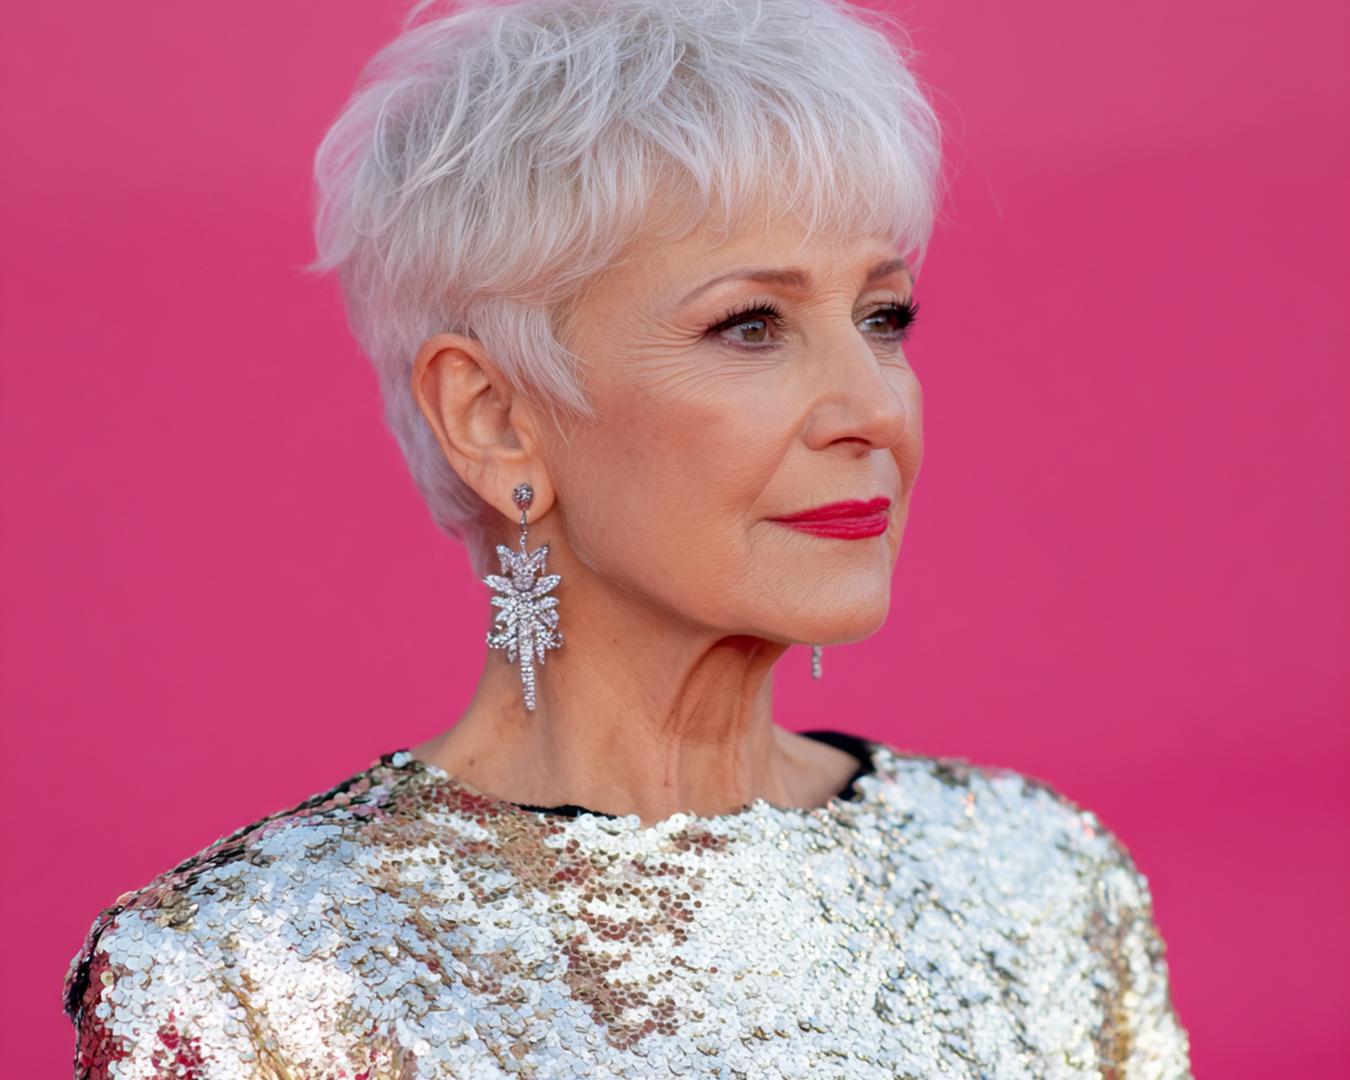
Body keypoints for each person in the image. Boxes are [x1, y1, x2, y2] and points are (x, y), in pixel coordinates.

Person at [61, 0, 1194, 1076]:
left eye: (881, 317)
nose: (874, 409)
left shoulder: (1034, 881)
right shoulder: (253, 975)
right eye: (750, 326)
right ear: (493, 417)